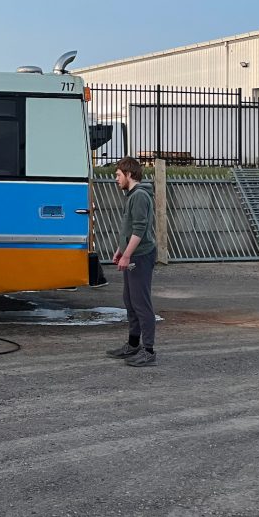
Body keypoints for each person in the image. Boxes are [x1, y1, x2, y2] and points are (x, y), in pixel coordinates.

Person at [107, 157, 158, 366]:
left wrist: (127, 255)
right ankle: (133, 344)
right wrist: (121, 250)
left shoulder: (139, 196)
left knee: (141, 303)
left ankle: (149, 351)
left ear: (129, 175)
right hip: (132, 253)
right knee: (130, 301)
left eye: (119, 175)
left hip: (141, 255)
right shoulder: (131, 196)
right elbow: (129, 229)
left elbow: (139, 229)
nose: (116, 179)